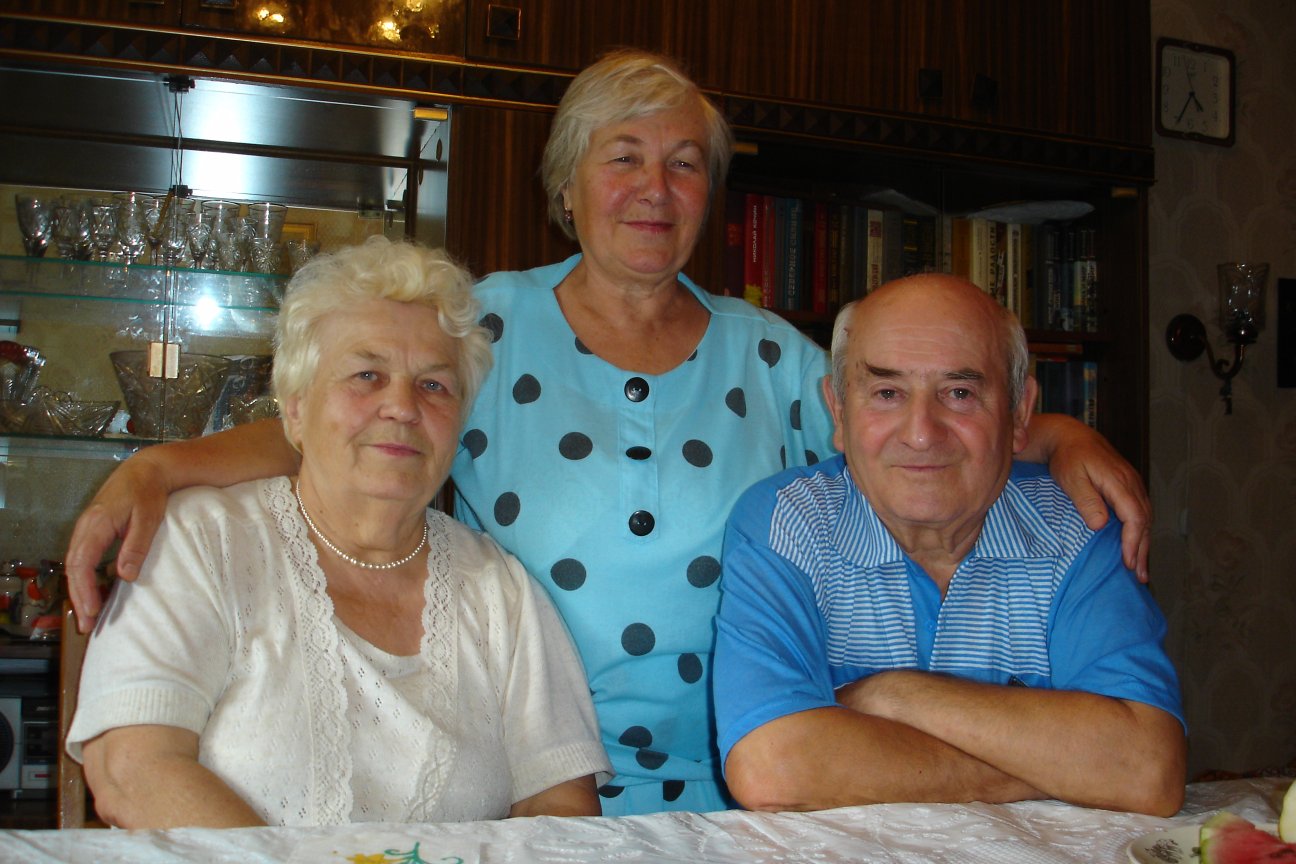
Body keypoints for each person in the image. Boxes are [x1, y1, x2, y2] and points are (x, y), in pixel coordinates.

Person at [64, 50, 1153, 816]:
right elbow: (352, 431)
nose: (654, 186)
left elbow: (913, 425)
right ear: (568, 185)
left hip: (751, 773)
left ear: (711, 197)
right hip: (520, 782)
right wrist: (166, 465)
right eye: (623, 155)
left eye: (686, 163)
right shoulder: (484, 323)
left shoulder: (773, 354)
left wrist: (1052, 435)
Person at [66, 238, 610, 828]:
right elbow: (133, 770)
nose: (401, 406)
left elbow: (558, 807)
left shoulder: (501, 590)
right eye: (366, 374)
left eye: (434, 385)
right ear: (295, 409)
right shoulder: (202, 541)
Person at [713, 275, 1186, 817]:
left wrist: (894, 695)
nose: (921, 432)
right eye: (887, 393)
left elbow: (1149, 769)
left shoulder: (1078, 526)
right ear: (839, 413)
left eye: (959, 393)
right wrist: (1057, 767)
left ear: (1020, 413)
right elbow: (774, 768)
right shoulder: (786, 523)